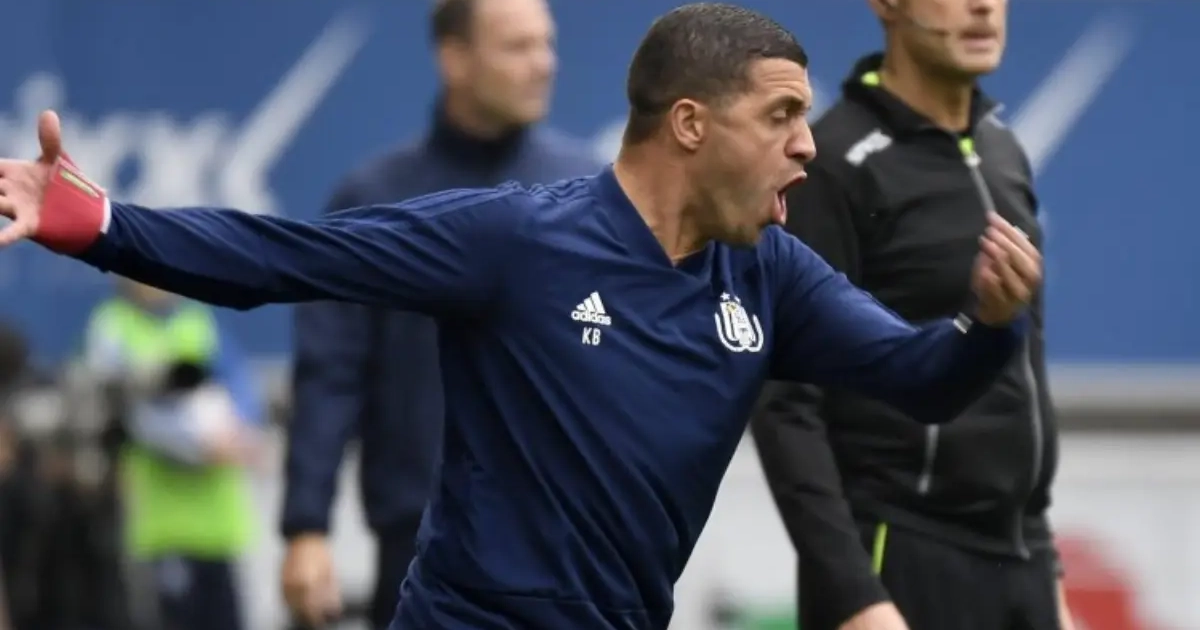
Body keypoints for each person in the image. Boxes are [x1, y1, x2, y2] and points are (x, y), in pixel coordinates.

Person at [0, 4, 1043, 629]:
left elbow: (921, 376)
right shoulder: (520, 239)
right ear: (690, 124)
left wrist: (988, 326)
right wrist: (101, 225)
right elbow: (287, 258)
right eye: (781, 116)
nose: (806, 145)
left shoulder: (770, 275)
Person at [750, 1, 1071, 629]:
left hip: (1023, 562)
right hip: (899, 558)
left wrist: (1047, 569)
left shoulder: (1004, 149)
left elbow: (1023, 376)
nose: (983, 7)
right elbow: (785, 403)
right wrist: (852, 594)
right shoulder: (833, 162)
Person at [280, 0, 601, 627]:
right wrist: (306, 525)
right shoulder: (376, 198)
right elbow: (330, 374)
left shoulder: (589, 193)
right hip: (421, 552)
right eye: (518, 47)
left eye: (546, 43)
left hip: (566, 551)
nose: (544, 64)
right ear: (454, 58)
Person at [80, 280, 266, 630]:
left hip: (218, 525)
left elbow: (241, 386)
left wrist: (241, 434)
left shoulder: (198, 319)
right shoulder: (111, 327)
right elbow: (126, 413)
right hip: (161, 526)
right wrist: (200, 447)